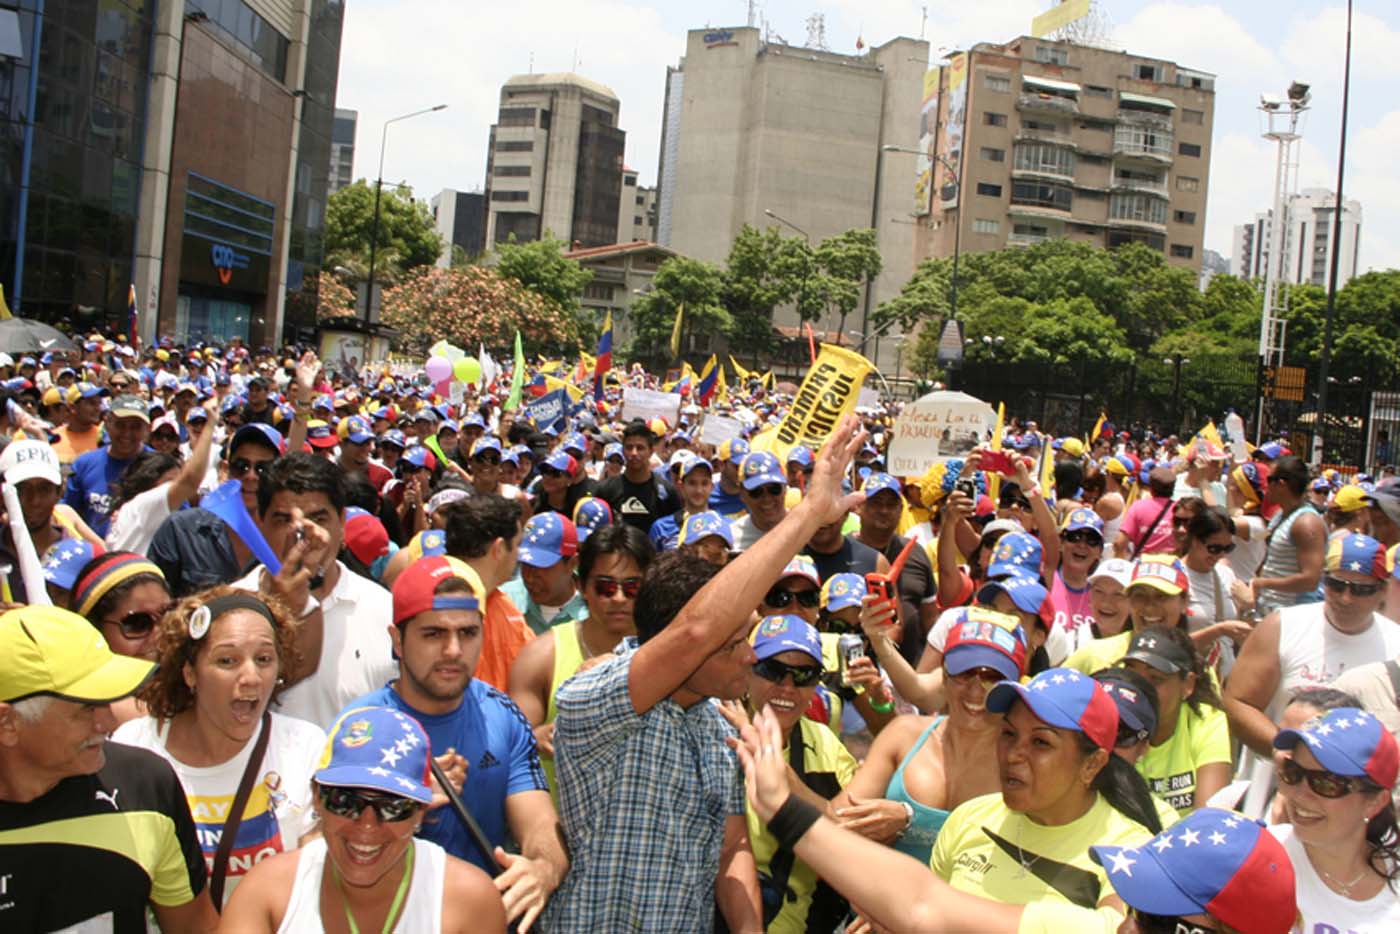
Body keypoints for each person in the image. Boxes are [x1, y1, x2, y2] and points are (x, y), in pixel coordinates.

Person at [543, 415, 867, 931]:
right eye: (735, 643)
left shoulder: (722, 728)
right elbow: (698, 629)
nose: (749, 656)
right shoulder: (597, 697)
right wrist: (805, 516)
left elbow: (732, 846)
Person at [718, 666, 1162, 932]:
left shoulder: (1137, 859)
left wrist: (785, 806)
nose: (1014, 755)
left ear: (1092, 764)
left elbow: (922, 906)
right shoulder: (970, 820)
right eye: (1008, 734)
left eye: (1041, 743)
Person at [344, 555, 566, 929]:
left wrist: (543, 868)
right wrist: (396, 805)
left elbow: (539, 820)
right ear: (397, 640)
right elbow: (316, 848)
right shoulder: (360, 729)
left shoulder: (503, 717)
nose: (452, 650)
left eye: (467, 633)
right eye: (433, 634)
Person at [0, 604, 218, 932]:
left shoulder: (145, 785)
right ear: (7, 724)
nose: (108, 721)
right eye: (87, 707)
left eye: (107, 701)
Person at [111, 587, 324, 906]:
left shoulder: (305, 746)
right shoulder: (135, 747)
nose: (251, 676)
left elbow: (314, 881)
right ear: (190, 673)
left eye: (264, 659)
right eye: (227, 660)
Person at [220, 705, 507, 933]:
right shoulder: (266, 891)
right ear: (317, 798)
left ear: (421, 811)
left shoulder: (470, 902)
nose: (367, 826)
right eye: (346, 802)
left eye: (393, 807)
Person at [831, 606, 1028, 864]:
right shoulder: (904, 735)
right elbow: (836, 824)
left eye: (992, 678)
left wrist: (908, 822)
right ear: (944, 674)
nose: (976, 690)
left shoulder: (1026, 764)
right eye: (965, 673)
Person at [1225, 532, 1400, 819]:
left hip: (1359, 807)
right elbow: (1237, 703)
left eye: (1361, 590)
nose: (1346, 597)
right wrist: (1297, 759)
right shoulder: (1283, 626)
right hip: (1274, 794)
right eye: (1336, 584)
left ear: (1382, 590)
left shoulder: (1395, 645)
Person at [234, 452, 397, 729]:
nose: (303, 536)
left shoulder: (386, 610)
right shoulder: (230, 608)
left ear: (342, 522)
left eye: (318, 519)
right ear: (260, 524)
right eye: (283, 520)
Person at [507, 523, 654, 793]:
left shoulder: (670, 655)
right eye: (605, 587)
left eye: (632, 587)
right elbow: (511, 745)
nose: (619, 598)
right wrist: (535, 738)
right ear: (581, 587)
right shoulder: (542, 656)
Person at [742, 614, 856, 932]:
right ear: (747, 669)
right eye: (773, 671)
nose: (788, 687)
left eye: (804, 675)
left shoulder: (827, 748)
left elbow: (861, 842)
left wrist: (795, 790)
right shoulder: (715, 727)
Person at [1269, 707, 1400, 931]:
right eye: (1294, 772)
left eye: (1326, 783)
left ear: (1375, 802)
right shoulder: (1256, 856)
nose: (1300, 794)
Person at [148, 423, 287, 596]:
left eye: (264, 469)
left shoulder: (292, 541)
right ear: (225, 470)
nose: (251, 476)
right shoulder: (180, 530)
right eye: (241, 466)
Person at [1120, 626, 1232, 815]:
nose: (1139, 689)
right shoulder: (1111, 720)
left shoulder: (1207, 720)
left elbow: (1209, 818)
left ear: (1187, 685)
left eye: (1155, 679)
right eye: (1132, 676)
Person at [105, 398, 220, 556]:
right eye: (169, 483)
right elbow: (190, 481)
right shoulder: (143, 506)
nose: (174, 488)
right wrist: (210, 423)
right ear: (150, 482)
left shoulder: (135, 511)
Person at [854, 472, 939, 664]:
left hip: (908, 673)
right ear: (860, 507)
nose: (883, 510)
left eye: (891, 504)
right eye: (876, 503)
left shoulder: (915, 552)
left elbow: (930, 619)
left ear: (901, 509)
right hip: (857, 672)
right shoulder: (847, 551)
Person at [1178, 508, 1254, 679]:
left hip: (1225, 678)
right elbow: (1171, 642)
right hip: (1190, 677)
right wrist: (1219, 630)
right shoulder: (1175, 576)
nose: (1221, 555)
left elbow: (1241, 633)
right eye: (1214, 548)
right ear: (1195, 540)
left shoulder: (1226, 574)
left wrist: (1249, 606)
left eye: (1228, 548)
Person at [63, 393, 152, 538]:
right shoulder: (84, 465)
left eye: (135, 427)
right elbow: (68, 516)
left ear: (147, 429)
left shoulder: (163, 467)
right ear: (108, 423)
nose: (127, 433)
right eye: (120, 425)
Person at [1253, 455, 1326, 614]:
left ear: (1281, 484)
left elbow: (1310, 580)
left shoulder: (1307, 523)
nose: (1265, 486)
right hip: (1268, 608)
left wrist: (1263, 583)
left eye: (1269, 479)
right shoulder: (1280, 515)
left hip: (1291, 614)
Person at [500, 512, 588, 635]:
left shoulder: (592, 615)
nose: (530, 577)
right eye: (525, 565)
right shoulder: (503, 601)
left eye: (542, 566)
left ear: (572, 564)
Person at [594, 420, 679, 533]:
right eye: (629, 447)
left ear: (651, 451)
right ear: (623, 451)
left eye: (640, 448)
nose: (634, 453)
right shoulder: (605, 490)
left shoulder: (667, 492)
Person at [648, 454, 714, 551]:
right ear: (681, 486)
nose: (699, 490)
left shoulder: (724, 525)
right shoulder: (661, 528)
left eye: (704, 483)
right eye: (692, 483)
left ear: (712, 487)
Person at [1114, 466, 1179, 559]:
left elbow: (1120, 543)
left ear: (1151, 487)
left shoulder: (1138, 507)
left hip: (1143, 566)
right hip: (1172, 565)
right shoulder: (1179, 509)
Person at [731, 451, 790, 551]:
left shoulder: (804, 528)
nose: (767, 499)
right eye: (756, 492)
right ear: (742, 493)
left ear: (785, 488)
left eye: (774, 489)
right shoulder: (733, 539)